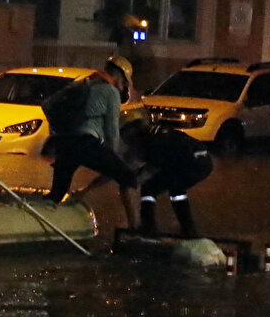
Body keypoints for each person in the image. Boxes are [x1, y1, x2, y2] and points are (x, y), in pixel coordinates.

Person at [42, 55, 139, 229]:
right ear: (121, 77)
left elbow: (51, 106)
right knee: (129, 177)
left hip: (64, 143)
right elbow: (112, 131)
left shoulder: (84, 84)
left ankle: (39, 220)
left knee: (56, 194)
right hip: (86, 143)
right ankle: (135, 228)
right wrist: (114, 158)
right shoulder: (111, 92)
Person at [119, 110, 213, 239]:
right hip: (204, 161)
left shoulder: (151, 140)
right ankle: (188, 229)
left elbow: (150, 169)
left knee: (149, 188)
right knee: (176, 189)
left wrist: (133, 181)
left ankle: (148, 228)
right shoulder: (159, 132)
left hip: (189, 163)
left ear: (133, 129)